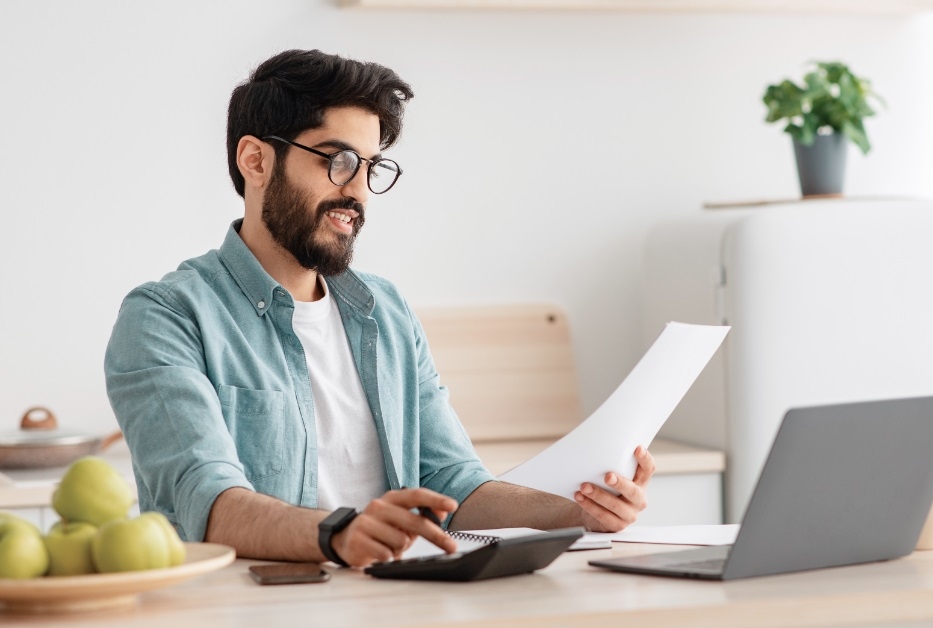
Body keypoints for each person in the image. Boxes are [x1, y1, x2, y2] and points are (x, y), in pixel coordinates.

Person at [104, 49, 655, 568]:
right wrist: (339, 533)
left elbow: (452, 482)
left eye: (372, 167)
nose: (360, 191)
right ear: (256, 160)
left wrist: (576, 512)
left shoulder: (383, 309)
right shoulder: (165, 318)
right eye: (339, 160)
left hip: (390, 599)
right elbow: (209, 501)